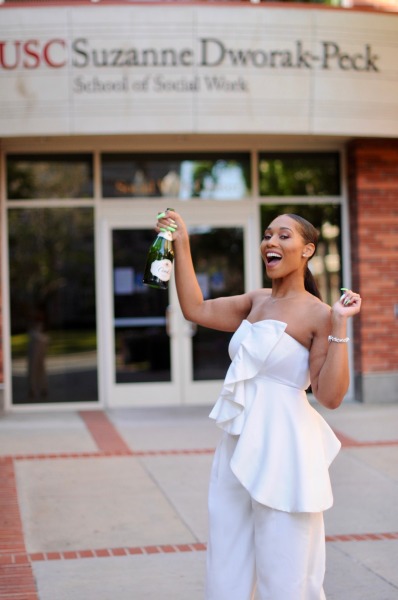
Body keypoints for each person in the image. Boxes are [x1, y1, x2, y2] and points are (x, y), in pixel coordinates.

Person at [155, 209, 361, 600]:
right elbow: (195, 309)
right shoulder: (255, 301)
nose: (271, 242)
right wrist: (182, 242)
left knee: (285, 563)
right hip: (237, 442)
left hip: (286, 449)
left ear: (307, 250)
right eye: (268, 235)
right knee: (227, 552)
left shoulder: (320, 314)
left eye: (284, 236)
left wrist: (340, 324)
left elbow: (330, 397)